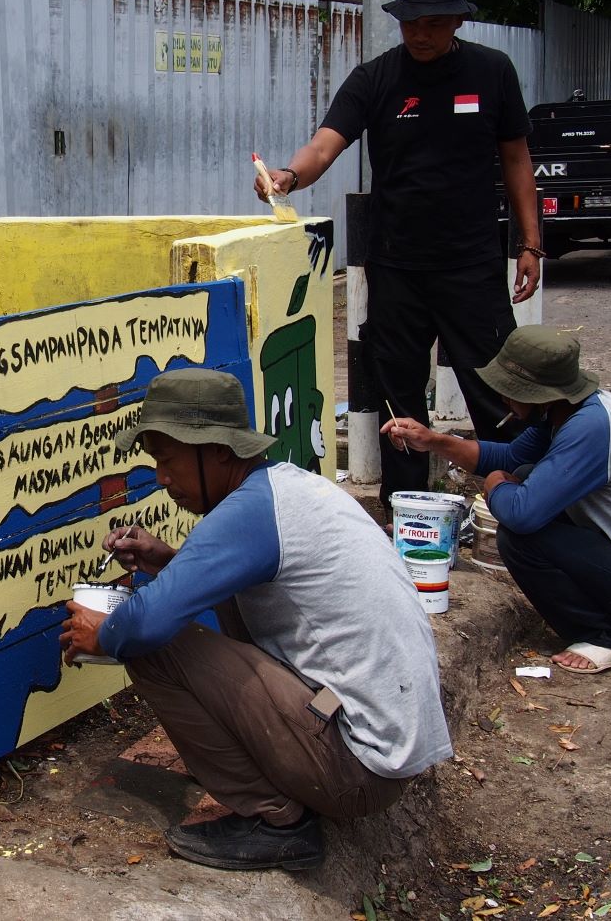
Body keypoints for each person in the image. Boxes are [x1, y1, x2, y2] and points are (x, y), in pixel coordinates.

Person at [60, 367, 450, 872]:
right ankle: (275, 777)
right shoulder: (282, 491)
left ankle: (277, 821)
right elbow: (213, 583)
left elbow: (143, 627)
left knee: (152, 647)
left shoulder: (249, 514)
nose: (161, 478)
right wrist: (164, 561)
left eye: (167, 460)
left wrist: (102, 633)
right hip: (382, 750)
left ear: (219, 451)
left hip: (360, 769)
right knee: (207, 605)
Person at [255, 0, 544, 501]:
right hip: (398, 271)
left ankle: (522, 497)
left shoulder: (492, 72)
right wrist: (289, 177)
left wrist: (530, 243)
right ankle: (409, 513)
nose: (421, 33)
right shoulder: (377, 78)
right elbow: (325, 144)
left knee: (498, 391)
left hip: (471, 266)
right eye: (411, 21)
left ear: (457, 21)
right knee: (400, 399)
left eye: (433, 22)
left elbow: (516, 159)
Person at [384, 326, 611, 673]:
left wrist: (494, 484)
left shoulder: (591, 427)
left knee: (520, 536)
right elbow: (508, 458)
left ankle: (610, 637)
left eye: (512, 392)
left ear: (541, 394)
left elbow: (521, 513)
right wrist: (432, 440)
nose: (504, 399)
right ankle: (605, 618)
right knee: (524, 477)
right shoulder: (566, 410)